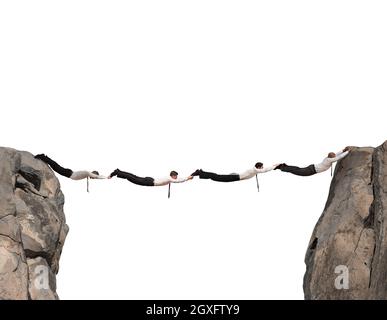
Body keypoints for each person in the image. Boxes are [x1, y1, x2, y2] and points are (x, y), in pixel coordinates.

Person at [274, 147, 351, 176]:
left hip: (312, 168)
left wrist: (342, 150)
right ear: (332, 157)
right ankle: (282, 167)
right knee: (297, 171)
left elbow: (336, 154)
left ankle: (284, 166)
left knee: (297, 169)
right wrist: (347, 152)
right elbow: (339, 157)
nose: (335, 156)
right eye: (334, 156)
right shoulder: (329, 159)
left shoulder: (328, 158)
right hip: (311, 170)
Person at [35, 154, 107, 180]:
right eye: (93, 177)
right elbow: (97, 177)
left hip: (69, 173)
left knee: (55, 166)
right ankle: (43, 156)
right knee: (55, 166)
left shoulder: (87, 174)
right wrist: (106, 177)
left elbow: (94, 177)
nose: (92, 178)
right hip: (69, 173)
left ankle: (44, 157)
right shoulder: (87, 173)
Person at [191, 162, 278, 182]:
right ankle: (199, 172)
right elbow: (265, 170)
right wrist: (275, 166)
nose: (262, 168)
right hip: (235, 177)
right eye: (261, 167)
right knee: (217, 177)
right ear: (258, 167)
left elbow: (264, 169)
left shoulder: (255, 170)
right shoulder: (254, 169)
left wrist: (275, 166)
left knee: (217, 177)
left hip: (236, 176)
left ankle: (201, 172)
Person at [108, 169, 193, 186]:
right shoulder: (170, 178)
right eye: (176, 176)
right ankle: (116, 172)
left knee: (133, 177)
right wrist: (188, 178)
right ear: (173, 176)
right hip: (149, 182)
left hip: (150, 180)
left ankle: (118, 172)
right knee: (132, 178)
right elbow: (178, 181)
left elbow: (177, 180)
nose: (176, 177)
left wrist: (187, 178)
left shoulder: (169, 178)